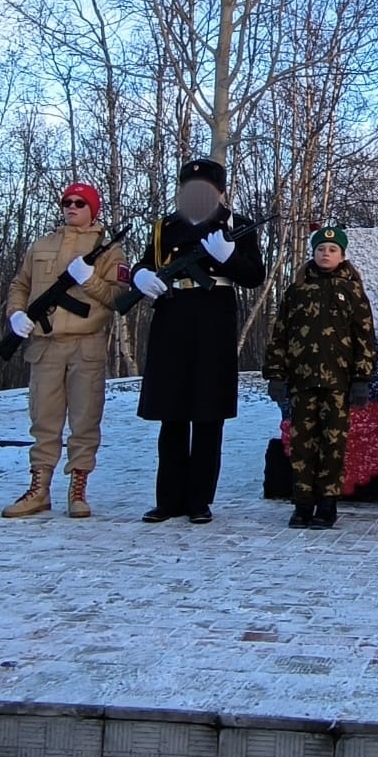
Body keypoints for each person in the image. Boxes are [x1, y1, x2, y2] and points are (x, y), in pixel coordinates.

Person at [129, 157, 265, 524]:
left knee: (208, 415)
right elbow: (145, 263)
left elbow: (254, 275)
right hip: (172, 318)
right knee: (171, 414)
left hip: (213, 321)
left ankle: (199, 500)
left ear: (219, 193)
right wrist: (140, 278)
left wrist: (230, 257)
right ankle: (168, 499)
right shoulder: (164, 228)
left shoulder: (236, 227)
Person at [0, 182, 127, 519]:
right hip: (44, 345)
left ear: (92, 210)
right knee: (44, 420)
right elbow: (20, 285)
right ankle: (39, 489)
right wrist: (16, 314)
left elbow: (119, 298)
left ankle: (78, 489)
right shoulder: (42, 245)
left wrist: (89, 280)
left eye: (80, 203)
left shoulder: (107, 249)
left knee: (85, 420)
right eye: (67, 202)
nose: (71, 207)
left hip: (86, 345)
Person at [263, 225, 378, 531]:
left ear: (342, 256)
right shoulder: (297, 290)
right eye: (320, 250)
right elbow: (281, 335)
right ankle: (302, 504)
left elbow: (364, 337)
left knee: (332, 444)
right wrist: (276, 374)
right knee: (302, 444)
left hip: (338, 384)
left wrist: (361, 379)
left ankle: (327, 504)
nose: (326, 254)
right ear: (312, 254)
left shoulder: (352, 291)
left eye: (332, 250)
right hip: (302, 381)